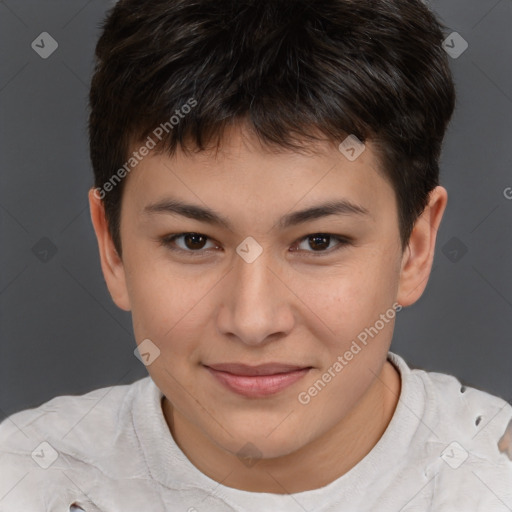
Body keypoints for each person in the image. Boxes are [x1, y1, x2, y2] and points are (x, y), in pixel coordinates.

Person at [1, 0, 511, 510]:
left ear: (413, 249)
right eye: (193, 241)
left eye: (319, 242)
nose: (252, 321)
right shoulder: (23, 481)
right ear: (112, 248)